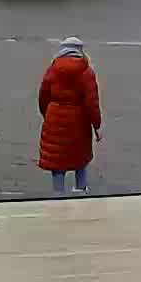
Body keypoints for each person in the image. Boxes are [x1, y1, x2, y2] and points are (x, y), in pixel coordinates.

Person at [37, 37, 102, 196]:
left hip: (55, 116)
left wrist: (48, 115)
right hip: (79, 121)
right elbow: (92, 103)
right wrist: (97, 126)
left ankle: (58, 194)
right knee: (81, 158)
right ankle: (81, 191)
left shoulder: (52, 69)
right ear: (80, 50)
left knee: (58, 162)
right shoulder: (87, 72)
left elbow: (43, 96)